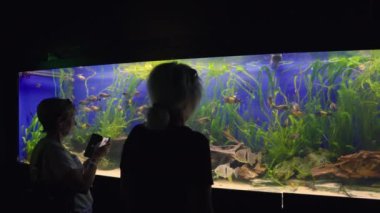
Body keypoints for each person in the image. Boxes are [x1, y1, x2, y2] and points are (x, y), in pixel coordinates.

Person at [120, 62, 214, 213]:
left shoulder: (137, 135)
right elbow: (203, 205)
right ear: (188, 99)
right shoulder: (195, 143)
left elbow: (126, 193)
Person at [30, 98, 110, 213]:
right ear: (60, 121)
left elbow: (68, 177)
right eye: (72, 117)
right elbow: (82, 186)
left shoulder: (45, 144)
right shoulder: (55, 152)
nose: (75, 123)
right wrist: (96, 159)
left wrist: (90, 161)